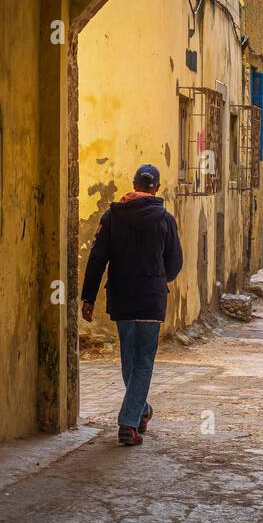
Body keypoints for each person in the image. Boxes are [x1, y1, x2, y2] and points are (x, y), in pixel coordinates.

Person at [80, 163, 183, 447]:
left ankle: (142, 410)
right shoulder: (165, 219)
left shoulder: (112, 217)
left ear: (134, 184)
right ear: (156, 188)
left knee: (129, 359)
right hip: (150, 299)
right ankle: (128, 422)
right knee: (144, 362)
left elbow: (97, 258)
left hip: (123, 298)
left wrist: (88, 297)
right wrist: (160, 278)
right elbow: (175, 263)